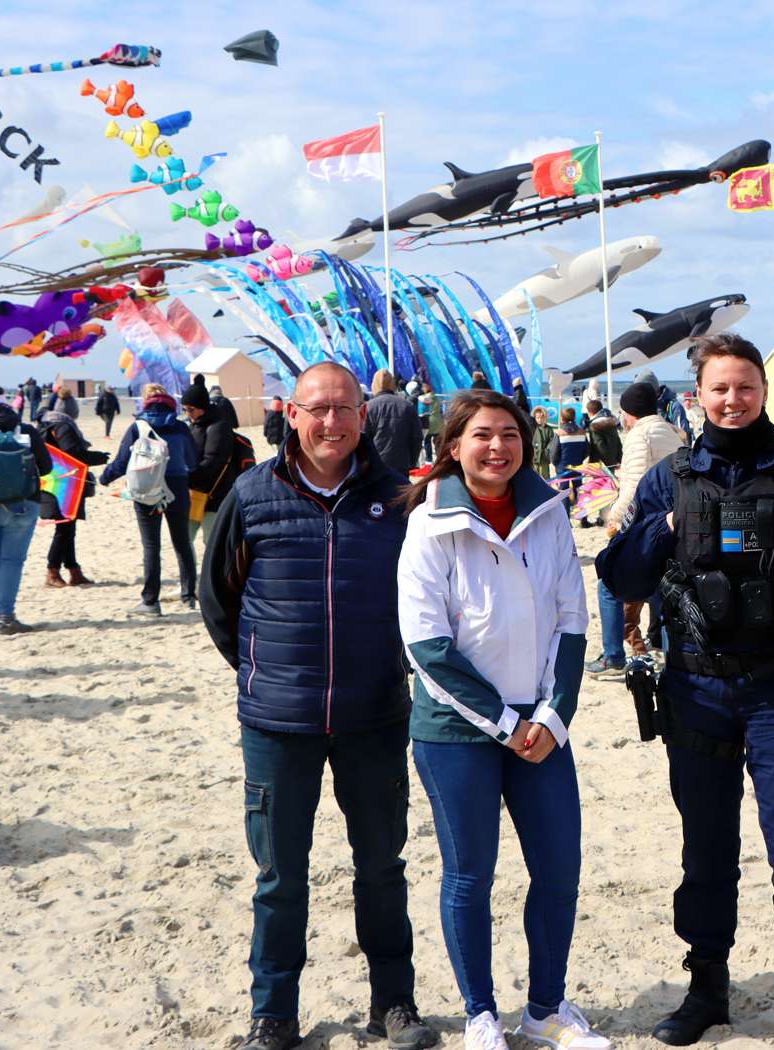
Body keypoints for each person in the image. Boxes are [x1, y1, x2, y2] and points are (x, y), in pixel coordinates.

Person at [597, 333, 774, 1050]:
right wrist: (666, 527)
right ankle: (707, 988)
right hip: (696, 689)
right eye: (719, 388)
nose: (733, 400)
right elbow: (620, 575)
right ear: (697, 395)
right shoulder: (667, 478)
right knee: (706, 853)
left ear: (764, 391)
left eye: (746, 387)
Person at [198, 361, 436, 1050]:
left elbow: (427, 601)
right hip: (278, 723)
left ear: (364, 415)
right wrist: (263, 670)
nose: (331, 422)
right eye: (318, 409)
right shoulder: (251, 492)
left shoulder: (400, 499)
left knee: (382, 868)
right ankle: (273, 1012)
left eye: (344, 408)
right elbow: (219, 601)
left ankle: (394, 1002)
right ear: (293, 415)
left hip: (375, 716)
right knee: (279, 878)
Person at [395, 389, 606, 1050]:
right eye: (482, 435)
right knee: (470, 876)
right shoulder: (429, 523)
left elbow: (572, 619)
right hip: (457, 732)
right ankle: (480, 1014)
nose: (497, 447)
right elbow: (427, 644)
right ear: (454, 447)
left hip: (541, 729)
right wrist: (505, 724)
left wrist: (553, 715)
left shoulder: (549, 512)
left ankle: (545, 1010)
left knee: (559, 871)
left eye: (510, 434)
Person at [100, 385, 199, 615]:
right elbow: (193, 462)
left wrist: (105, 478)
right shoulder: (181, 427)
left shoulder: (138, 427)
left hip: (146, 490)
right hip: (177, 490)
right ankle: (188, 597)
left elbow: (120, 463)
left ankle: (151, 602)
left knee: (151, 547)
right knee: (182, 544)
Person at [605, 381, 683, 662]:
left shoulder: (638, 435)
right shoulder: (671, 433)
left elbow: (635, 488)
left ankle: (613, 653)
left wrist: (613, 516)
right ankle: (669, 651)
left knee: (608, 581)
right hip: (672, 521)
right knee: (663, 589)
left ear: (630, 413)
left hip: (646, 525)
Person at [0, 385, 52, 634]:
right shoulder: (25, 429)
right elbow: (47, 468)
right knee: (12, 561)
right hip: (22, 503)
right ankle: (7, 618)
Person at [37, 402, 106, 588]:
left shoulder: (43, 424)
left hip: (50, 481)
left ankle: (74, 571)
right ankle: (52, 572)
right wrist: (96, 457)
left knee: (67, 528)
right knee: (64, 530)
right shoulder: (62, 426)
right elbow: (71, 451)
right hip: (65, 484)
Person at [183, 381, 237, 549]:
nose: (188, 413)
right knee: (184, 540)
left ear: (201, 407)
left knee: (213, 544)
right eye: (185, 409)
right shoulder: (193, 426)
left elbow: (212, 462)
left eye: (190, 409)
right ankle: (190, 569)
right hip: (194, 493)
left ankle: (212, 569)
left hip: (215, 494)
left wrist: (184, 477)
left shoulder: (218, 426)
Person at [364, 369, 423, 474]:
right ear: (393, 384)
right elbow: (416, 439)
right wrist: (412, 463)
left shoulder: (368, 407)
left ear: (374, 385)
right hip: (401, 465)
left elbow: (363, 440)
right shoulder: (408, 406)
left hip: (375, 466)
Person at [585, 400, 623, 467]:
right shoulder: (612, 422)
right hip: (613, 460)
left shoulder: (594, 426)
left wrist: (612, 463)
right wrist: (618, 459)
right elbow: (618, 442)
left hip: (598, 464)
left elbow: (600, 446)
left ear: (592, 413)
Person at [419, 383, 445, 464]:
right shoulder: (438, 399)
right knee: (438, 443)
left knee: (427, 443)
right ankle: (439, 459)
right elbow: (441, 411)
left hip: (428, 423)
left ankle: (428, 460)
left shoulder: (423, 399)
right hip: (438, 423)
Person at [530, 406, 555, 479]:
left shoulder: (548, 429)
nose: (540, 420)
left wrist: (547, 449)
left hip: (544, 456)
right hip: (535, 455)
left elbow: (552, 440)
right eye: (538, 418)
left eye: (541, 418)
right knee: (534, 474)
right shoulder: (532, 428)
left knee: (544, 474)